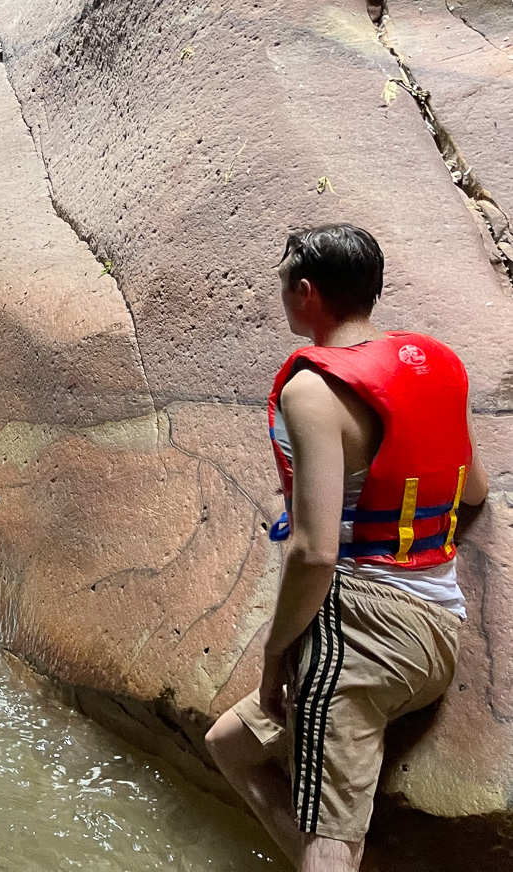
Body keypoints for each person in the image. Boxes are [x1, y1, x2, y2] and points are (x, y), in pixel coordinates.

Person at [205, 224, 488, 870]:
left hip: (360, 632)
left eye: (283, 283)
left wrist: (275, 657)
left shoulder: (312, 391)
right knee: (228, 745)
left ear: (305, 292)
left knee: (331, 836)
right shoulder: (439, 364)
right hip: (438, 628)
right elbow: (473, 491)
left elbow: (314, 553)